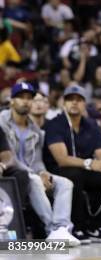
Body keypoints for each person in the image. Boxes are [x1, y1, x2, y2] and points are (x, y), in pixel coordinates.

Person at [0, 82, 80, 246]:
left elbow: (37, 160)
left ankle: (61, 228)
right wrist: (37, 174)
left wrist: (43, 172)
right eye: (21, 97)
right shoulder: (1, 122)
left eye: (29, 98)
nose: (26, 101)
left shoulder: (36, 130)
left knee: (65, 183)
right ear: (12, 101)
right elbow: (10, 158)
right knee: (35, 179)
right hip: (11, 172)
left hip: (31, 172)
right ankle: (51, 229)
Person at [44, 85, 101, 244]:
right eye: (70, 99)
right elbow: (62, 159)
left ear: (85, 104)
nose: (74, 103)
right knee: (74, 176)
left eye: (78, 100)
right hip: (57, 170)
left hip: (85, 168)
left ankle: (97, 227)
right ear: (63, 103)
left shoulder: (91, 125)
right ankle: (77, 227)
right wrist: (90, 163)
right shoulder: (54, 124)